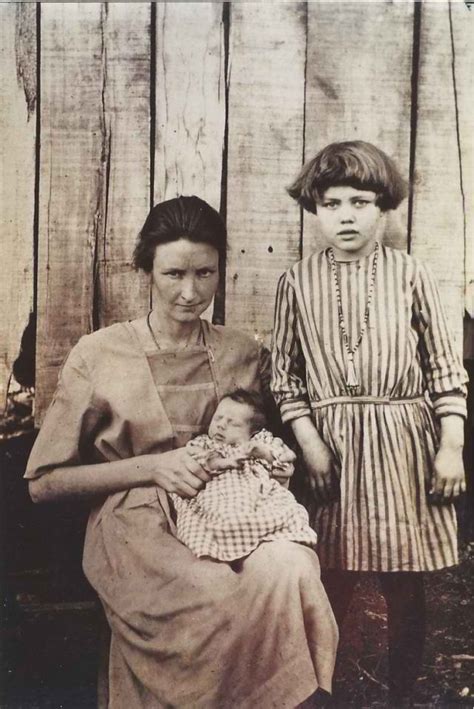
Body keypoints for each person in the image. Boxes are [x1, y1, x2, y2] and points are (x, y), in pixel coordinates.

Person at [26, 196, 338, 708]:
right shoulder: (99, 354)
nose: (190, 292)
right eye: (173, 274)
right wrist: (155, 467)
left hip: (236, 515)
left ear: (221, 271)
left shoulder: (242, 352)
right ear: (146, 268)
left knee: (290, 566)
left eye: (205, 273)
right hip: (138, 525)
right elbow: (43, 483)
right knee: (212, 594)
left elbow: (271, 436)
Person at [271, 141, 468, 706]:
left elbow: (445, 370)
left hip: (403, 440)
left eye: (360, 201)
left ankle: (401, 695)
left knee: (404, 583)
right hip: (330, 448)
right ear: (314, 209)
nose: (347, 215)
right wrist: (308, 441)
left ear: (385, 208)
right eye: (332, 203)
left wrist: (450, 445)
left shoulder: (410, 274)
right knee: (330, 575)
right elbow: (284, 377)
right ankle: (321, 692)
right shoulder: (297, 282)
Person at [171, 388, 318, 562]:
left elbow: (284, 459)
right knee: (221, 519)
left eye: (233, 423)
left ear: (252, 433)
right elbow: (201, 463)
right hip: (218, 498)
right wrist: (226, 462)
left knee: (280, 513)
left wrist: (262, 453)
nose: (221, 425)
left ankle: (260, 548)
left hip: (256, 498)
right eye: (218, 418)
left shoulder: (257, 442)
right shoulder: (205, 443)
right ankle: (226, 552)